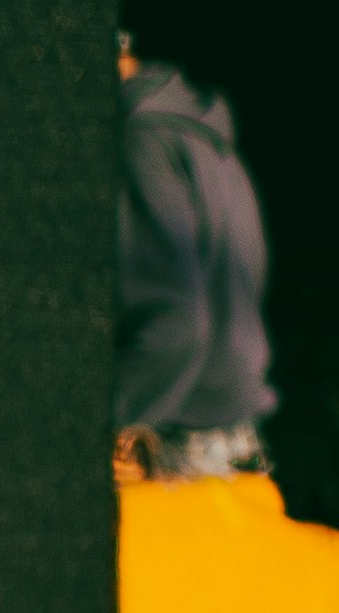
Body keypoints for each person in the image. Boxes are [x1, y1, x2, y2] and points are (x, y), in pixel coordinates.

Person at [114, 34, 274, 480]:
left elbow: (175, 318)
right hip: (230, 424)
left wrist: (113, 417)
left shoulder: (139, 140)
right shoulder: (205, 138)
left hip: (167, 436)